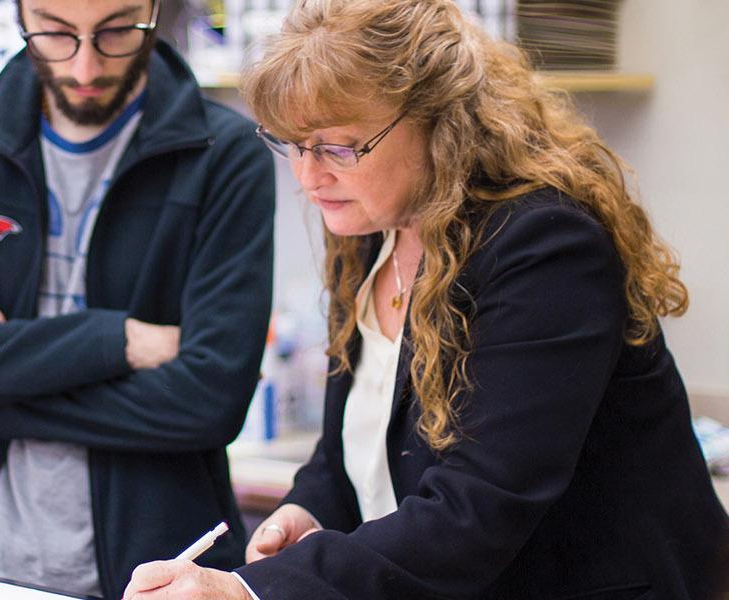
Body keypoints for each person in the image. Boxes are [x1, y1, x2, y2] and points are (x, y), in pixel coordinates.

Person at [122, 0, 729, 598]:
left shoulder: (545, 247)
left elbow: (478, 507)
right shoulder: (373, 231)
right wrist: (309, 508)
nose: (308, 178)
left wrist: (247, 591)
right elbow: (346, 444)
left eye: (339, 146)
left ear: (439, 125)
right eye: (294, 145)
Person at [0, 0, 276, 597]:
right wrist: (119, 340)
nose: (85, 65)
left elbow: (210, 399)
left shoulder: (226, 155)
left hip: (160, 574)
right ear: (18, 14)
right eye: (57, 32)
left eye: (116, 31)